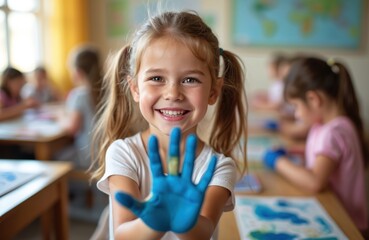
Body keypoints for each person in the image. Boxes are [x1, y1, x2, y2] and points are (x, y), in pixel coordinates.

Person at [91, 10, 248, 240]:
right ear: (135, 88)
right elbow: (123, 235)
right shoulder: (124, 154)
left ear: (213, 91)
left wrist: (182, 221)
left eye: (190, 80)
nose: (173, 93)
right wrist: (158, 220)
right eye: (156, 78)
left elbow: (203, 232)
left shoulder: (218, 167)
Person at [263, 56, 368, 235]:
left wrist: (278, 162)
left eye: (295, 106)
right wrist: (293, 150)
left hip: (348, 226)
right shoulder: (326, 125)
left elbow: (315, 182)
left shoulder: (335, 132)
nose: (296, 115)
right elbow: (323, 154)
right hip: (334, 214)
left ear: (314, 99)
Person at [57, 45, 102, 169]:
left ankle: (73, 188)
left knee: (55, 158)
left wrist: (61, 117)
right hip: (106, 154)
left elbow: (72, 128)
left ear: (77, 72)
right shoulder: (106, 90)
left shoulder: (79, 95)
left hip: (88, 157)